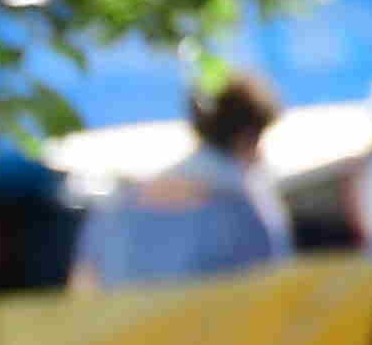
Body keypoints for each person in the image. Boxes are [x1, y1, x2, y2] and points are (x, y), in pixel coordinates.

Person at [78, 73, 290, 289]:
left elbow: (83, 287)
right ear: (247, 137)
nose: (261, 156)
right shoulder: (249, 211)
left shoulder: (116, 207)